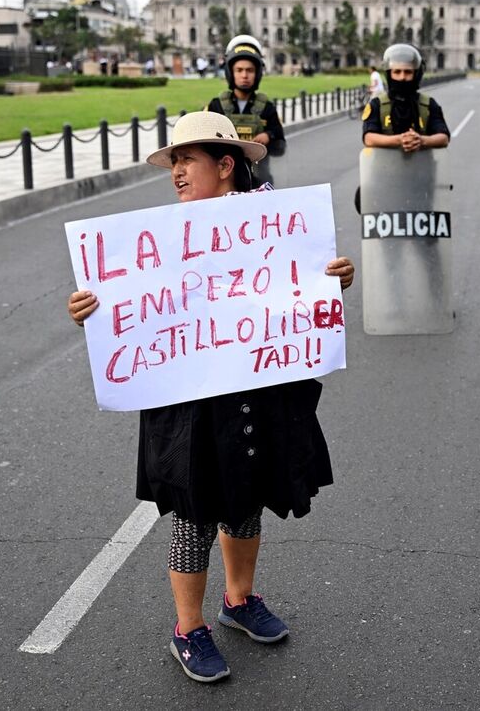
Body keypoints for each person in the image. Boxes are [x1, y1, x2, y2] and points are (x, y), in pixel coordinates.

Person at [67, 111, 355, 684]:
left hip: (254, 387)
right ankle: (187, 628)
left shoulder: (272, 224)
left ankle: (239, 600)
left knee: (246, 496)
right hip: (188, 402)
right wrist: (89, 311)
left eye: (186, 161)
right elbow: (126, 311)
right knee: (193, 512)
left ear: (225, 167)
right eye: (172, 163)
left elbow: (299, 287)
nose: (175, 173)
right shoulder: (153, 244)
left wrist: (334, 277)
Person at [206, 35, 285, 187]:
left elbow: (281, 148)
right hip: (224, 183)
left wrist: (269, 135)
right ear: (230, 72)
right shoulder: (216, 107)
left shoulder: (267, 108)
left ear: (257, 74)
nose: (244, 75)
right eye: (239, 70)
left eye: (250, 70)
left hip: (260, 182)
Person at [362, 44, 450, 152]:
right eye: (397, 72)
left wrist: (421, 140)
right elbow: (368, 138)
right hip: (384, 168)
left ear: (416, 74)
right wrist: (400, 140)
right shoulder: (376, 104)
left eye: (408, 72)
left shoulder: (428, 104)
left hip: (422, 168)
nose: (402, 77)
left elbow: (443, 138)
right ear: (389, 74)